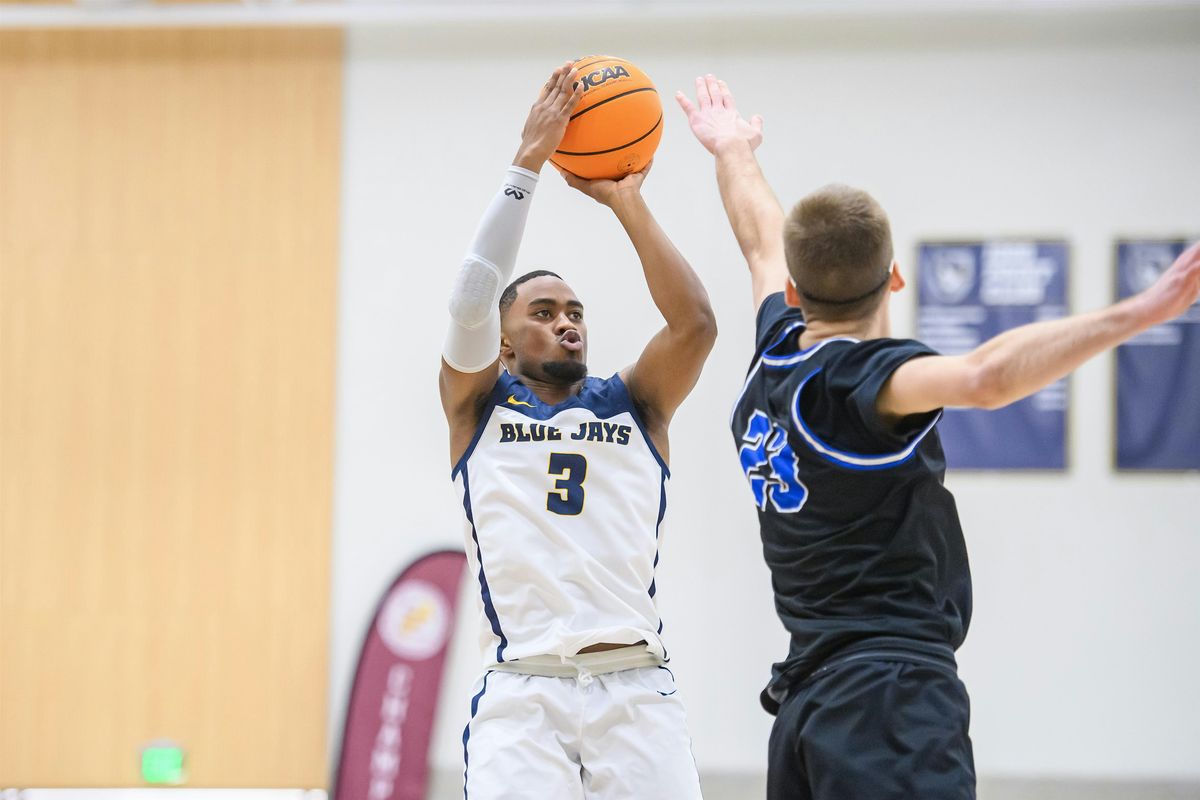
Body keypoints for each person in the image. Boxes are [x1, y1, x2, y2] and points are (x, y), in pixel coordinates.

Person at [676, 74, 1200, 800]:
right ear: (894, 278)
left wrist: (731, 150)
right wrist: (1141, 312)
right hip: (890, 703)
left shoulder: (776, 350)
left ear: (794, 291)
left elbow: (761, 237)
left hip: (807, 708)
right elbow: (986, 377)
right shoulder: (864, 383)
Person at [440, 62, 716, 800]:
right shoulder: (480, 407)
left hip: (634, 686)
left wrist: (626, 201)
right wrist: (528, 160)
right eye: (542, 312)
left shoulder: (635, 403)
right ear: (502, 343)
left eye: (574, 311)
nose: (565, 320)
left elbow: (696, 323)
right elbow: (470, 301)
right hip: (523, 693)